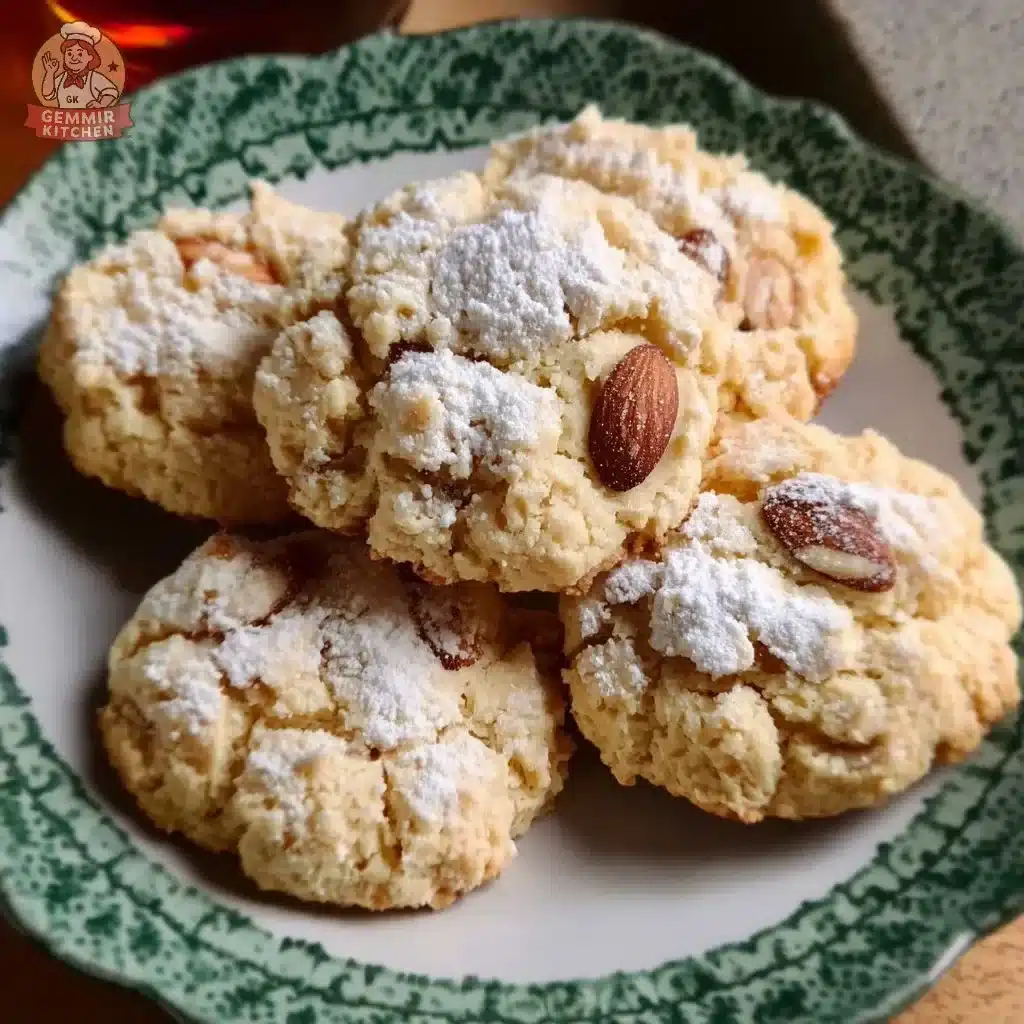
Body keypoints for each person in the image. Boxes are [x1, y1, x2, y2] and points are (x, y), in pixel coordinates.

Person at [40, 21, 119, 110]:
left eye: (80, 54)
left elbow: (111, 92)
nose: (74, 58)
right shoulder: (62, 78)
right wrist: (50, 73)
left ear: (90, 57)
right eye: (69, 54)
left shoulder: (93, 77)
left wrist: (101, 104)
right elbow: (48, 94)